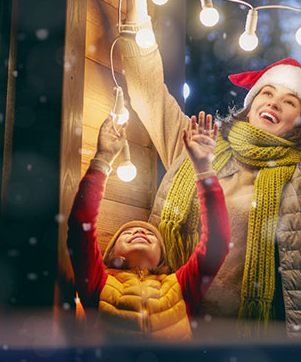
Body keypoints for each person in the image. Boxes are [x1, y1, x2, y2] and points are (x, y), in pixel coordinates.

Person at [120, 0, 301, 337]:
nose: (274, 103)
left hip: (251, 338)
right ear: (251, 104)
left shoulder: (300, 179)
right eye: (267, 93)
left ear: (300, 125)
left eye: (289, 102)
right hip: (171, 323)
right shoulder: (198, 145)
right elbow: (148, 91)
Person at [68, 113, 230, 340]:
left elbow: (217, 243)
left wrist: (204, 169)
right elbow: (80, 225)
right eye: (127, 232)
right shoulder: (98, 282)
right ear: (110, 253)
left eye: (150, 234)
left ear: (162, 257)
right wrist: (103, 159)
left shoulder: (181, 286)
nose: (140, 231)